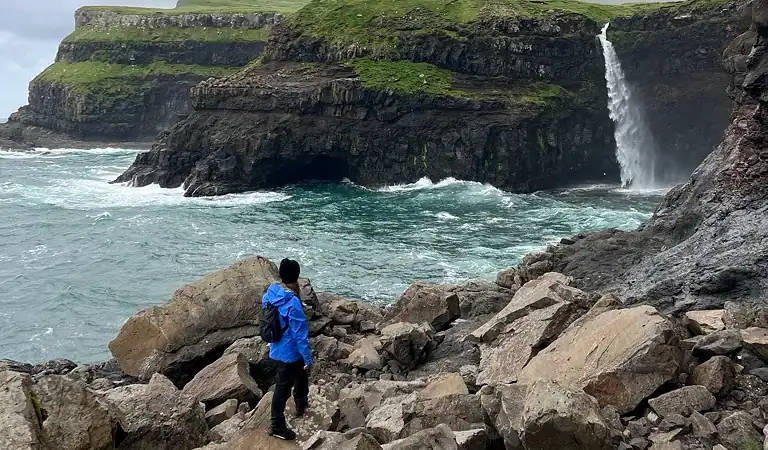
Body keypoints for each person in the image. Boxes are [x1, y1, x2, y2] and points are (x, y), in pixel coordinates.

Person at [262, 258, 312, 441]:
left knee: (299, 376)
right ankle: (277, 425)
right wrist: (308, 359)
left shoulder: (269, 295)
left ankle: (301, 402)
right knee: (282, 389)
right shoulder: (293, 303)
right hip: (290, 352)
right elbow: (300, 335)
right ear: (296, 277)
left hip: (276, 347)